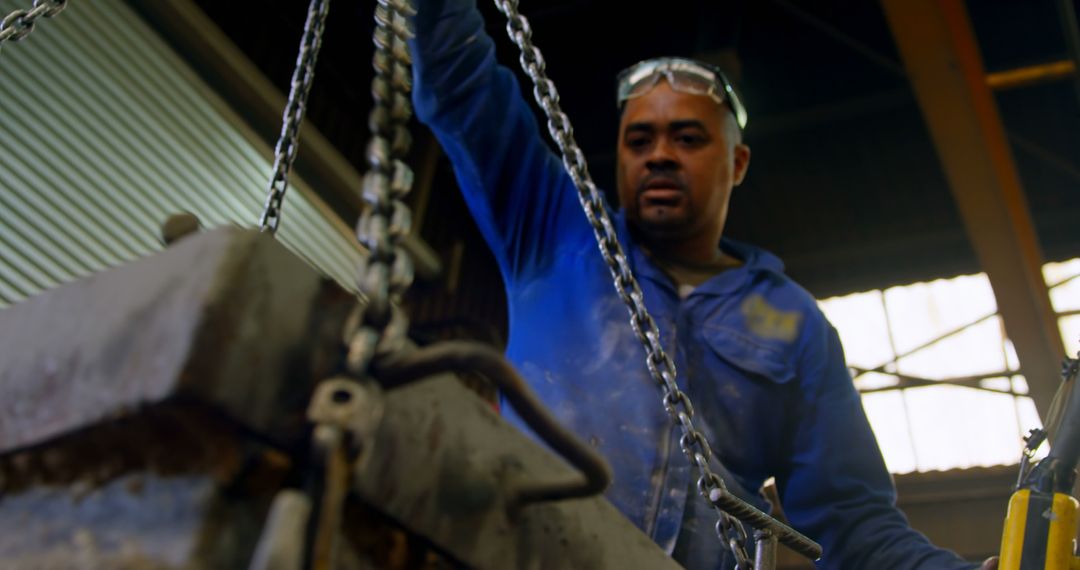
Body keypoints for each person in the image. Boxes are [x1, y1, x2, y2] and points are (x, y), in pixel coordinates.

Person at [408, 0, 994, 567]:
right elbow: (456, 76)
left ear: (737, 163)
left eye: (688, 139)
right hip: (514, 552)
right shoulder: (553, 230)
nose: (659, 156)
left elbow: (853, 526)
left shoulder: (791, 323)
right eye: (640, 141)